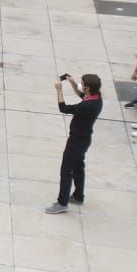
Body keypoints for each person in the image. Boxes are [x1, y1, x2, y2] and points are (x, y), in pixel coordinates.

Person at [46, 74, 103, 213]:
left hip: (77, 141)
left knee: (66, 171)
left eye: (82, 83)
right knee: (78, 167)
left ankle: (62, 203)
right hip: (83, 139)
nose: (80, 85)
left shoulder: (87, 106)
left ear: (88, 88)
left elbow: (64, 108)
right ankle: (78, 196)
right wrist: (72, 83)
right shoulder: (96, 98)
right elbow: (83, 95)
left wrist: (59, 90)